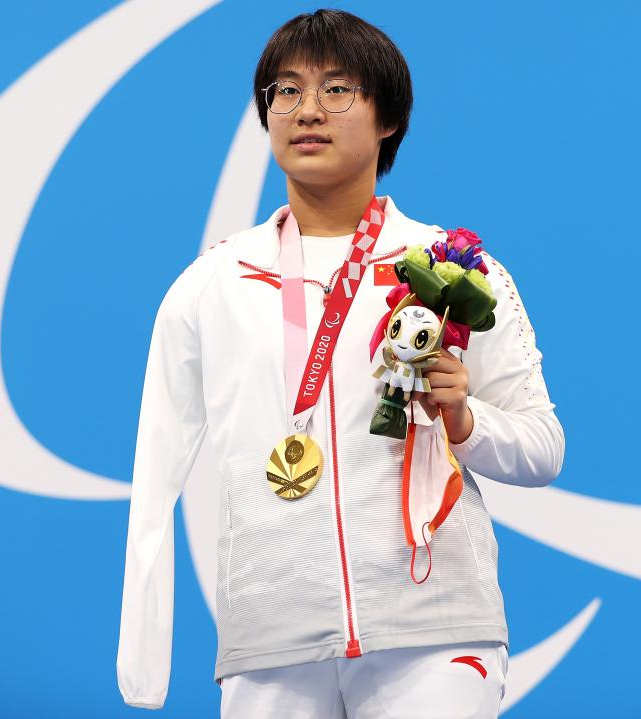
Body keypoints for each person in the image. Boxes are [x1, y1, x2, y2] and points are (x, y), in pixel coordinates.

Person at [116, 9, 564, 718]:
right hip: (271, 645)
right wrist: (144, 658)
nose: (307, 111)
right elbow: (154, 467)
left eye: (338, 90)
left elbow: (542, 448)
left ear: (388, 118)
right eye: (285, 92)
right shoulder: (212, 284)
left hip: (434, 632)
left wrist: (465, 419)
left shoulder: (456, 274)